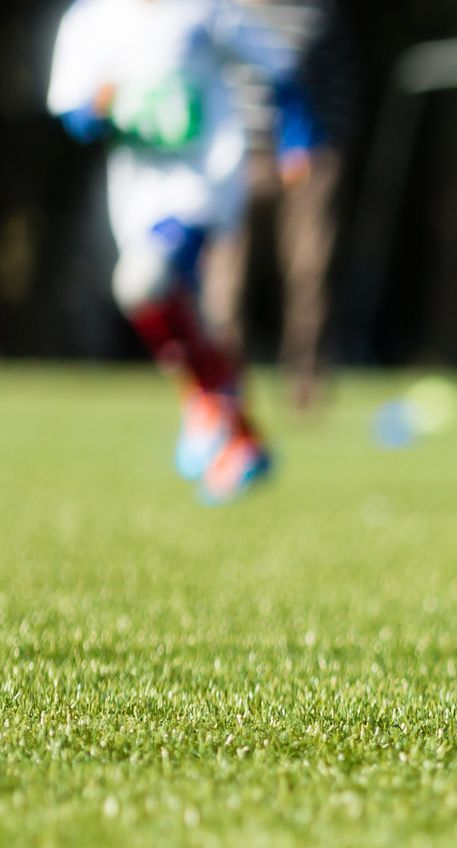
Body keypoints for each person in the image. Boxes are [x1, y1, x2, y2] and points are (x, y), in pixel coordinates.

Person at [47, 0, 315, 505]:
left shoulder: (203, 9)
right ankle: (236, 431)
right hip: (136, 195)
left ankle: (209, 407)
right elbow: (72, 113)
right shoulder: (88, 20)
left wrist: (298, 140)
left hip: (204, 184)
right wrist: (98, 106)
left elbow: (277, 65)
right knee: (168, 307)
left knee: (143, 283)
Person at [202, 0, 356, 414]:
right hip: (237, 154)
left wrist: (313, 145)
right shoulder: (219, 9)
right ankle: (221, 389)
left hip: (310, 156)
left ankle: (308, 383)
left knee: (310, 272)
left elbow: (336, 82)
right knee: (225, 278)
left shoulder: (316, 11)